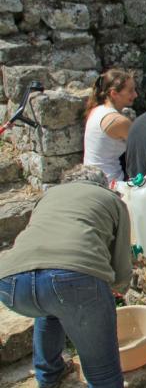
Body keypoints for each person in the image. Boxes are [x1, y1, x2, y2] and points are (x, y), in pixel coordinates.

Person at [0, 165, 132, 388]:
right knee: (104, 373)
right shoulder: (111, 199)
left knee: (50, 308)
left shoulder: (49, 196)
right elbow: (120, 257)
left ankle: (49, 376)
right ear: (103, 182)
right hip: (72, 279)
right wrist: (119, 287)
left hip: (11, 281)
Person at [83, 69, 138, 182]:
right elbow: (143, 148)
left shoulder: (96, 110)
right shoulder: (118, 121)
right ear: (114, 93)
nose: (135, 95)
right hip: (111, 182)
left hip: (91, 178)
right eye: (131, 91)